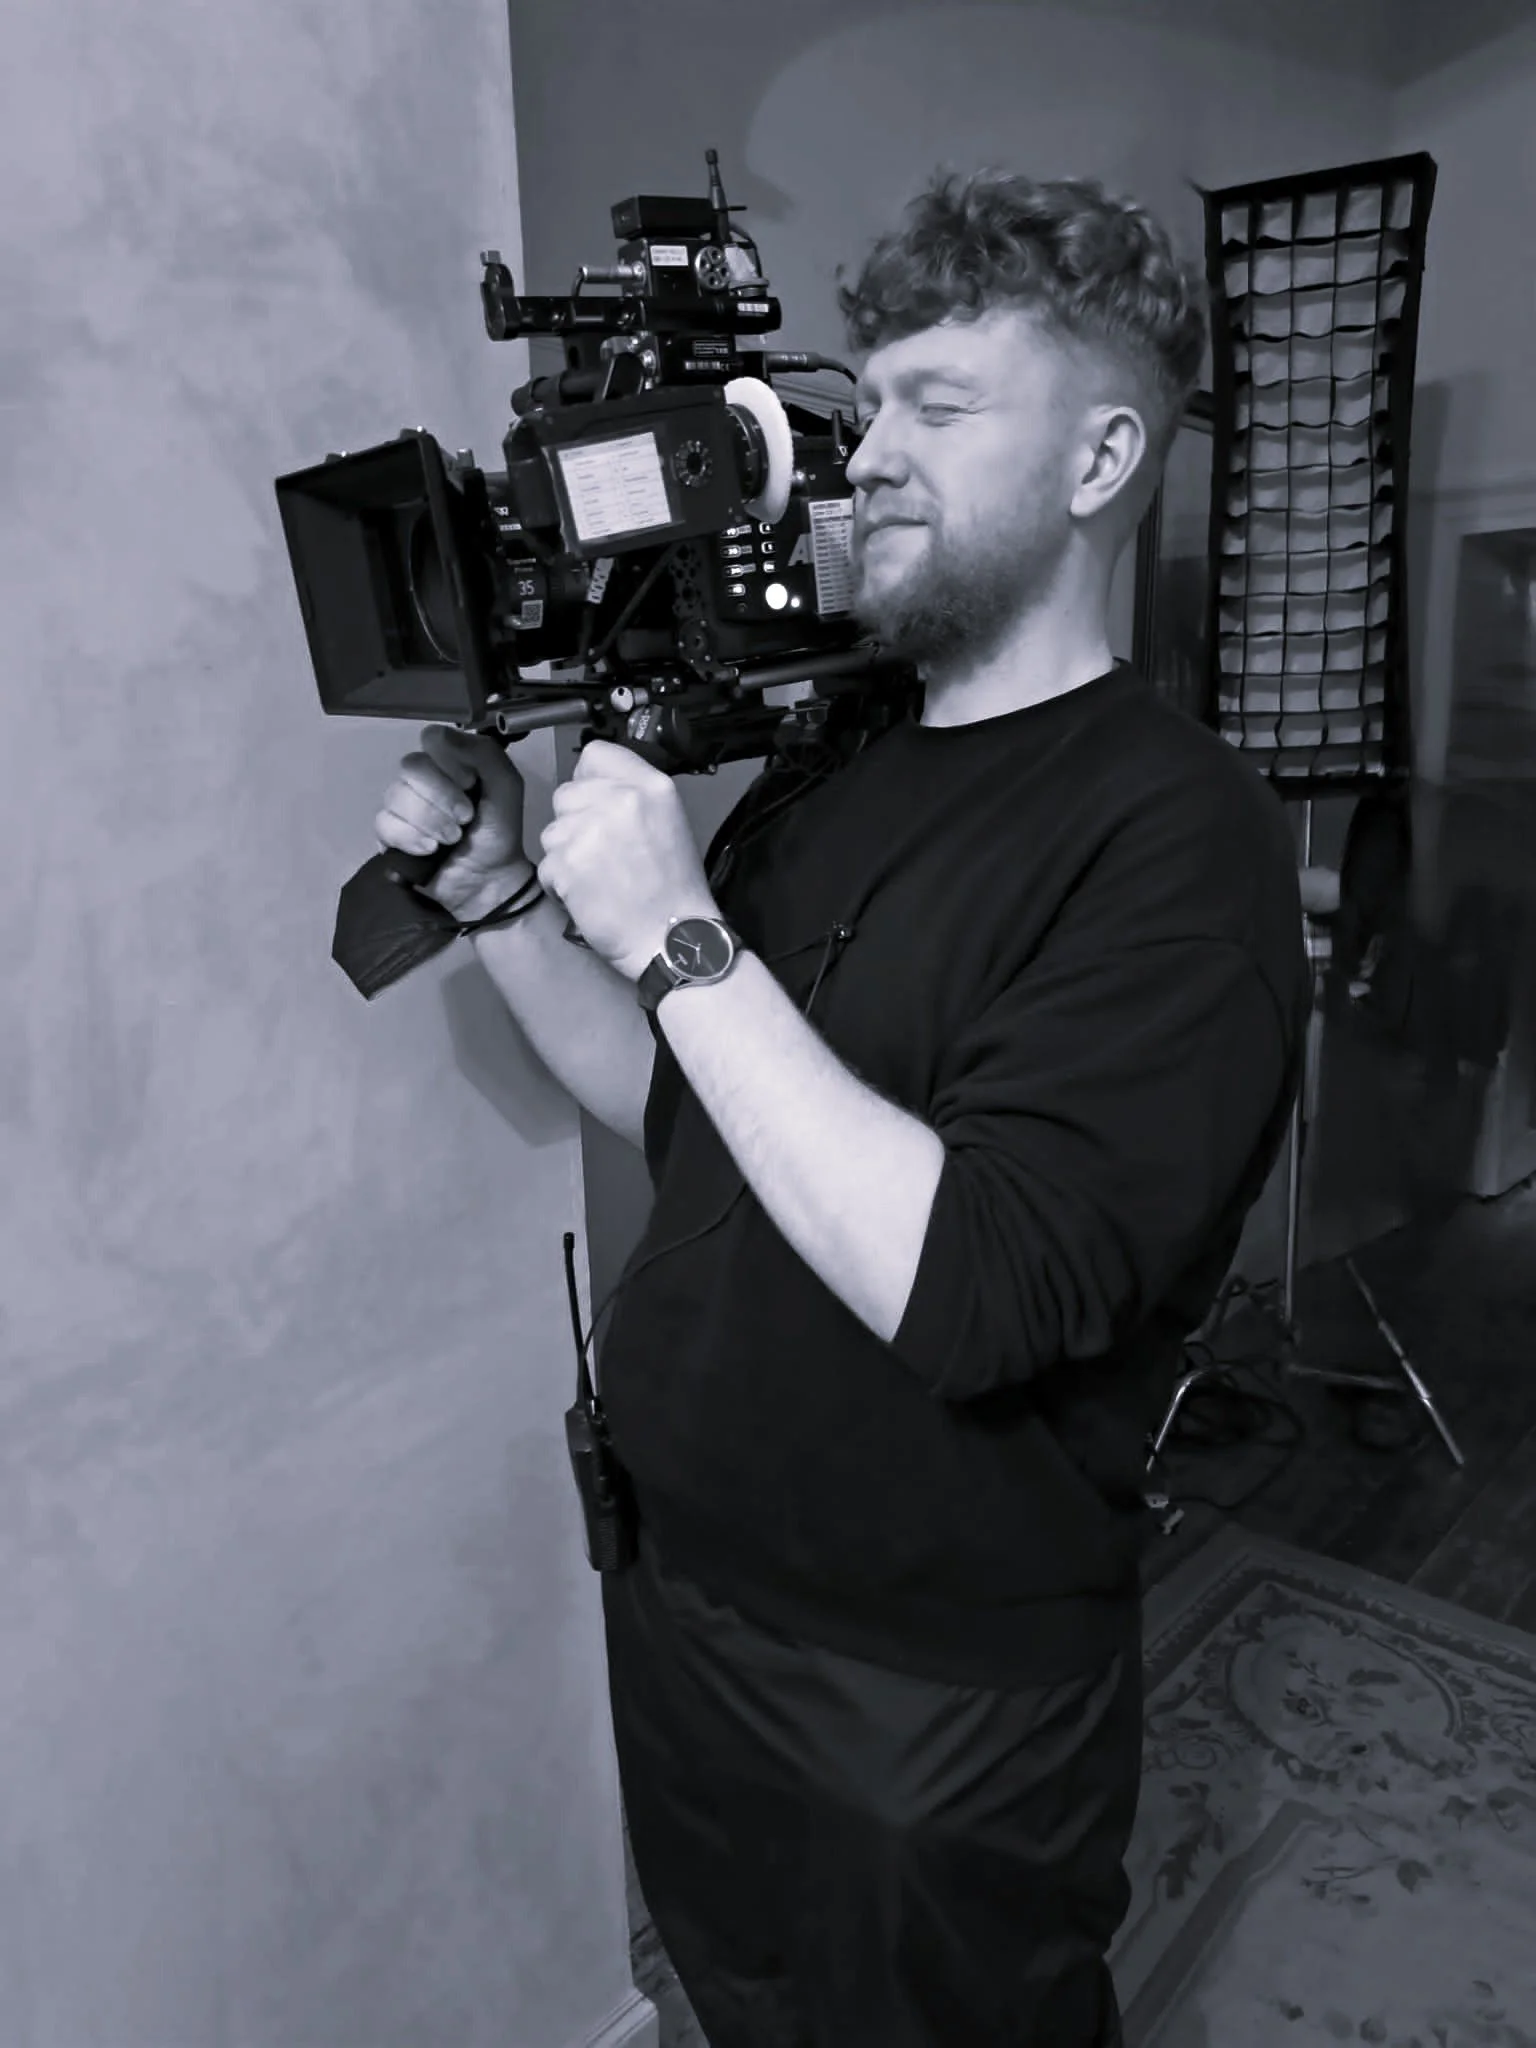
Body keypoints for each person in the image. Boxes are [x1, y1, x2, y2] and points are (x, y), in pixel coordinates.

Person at [375, 168, 1310, 2048]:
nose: (862, 453)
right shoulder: (846, 756)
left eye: (941, 407)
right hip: (687, 1600)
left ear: (1104, 451)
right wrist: (506, 906)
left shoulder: (1176, 838)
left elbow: (978, 1282)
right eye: (872, 400)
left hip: (930, 1701)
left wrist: (688, 933)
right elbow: (698, 1115)